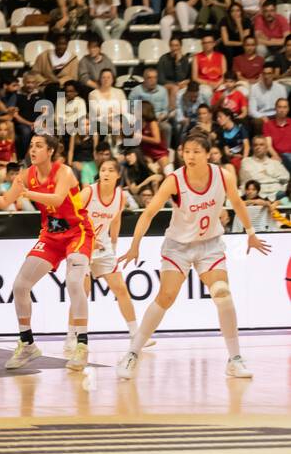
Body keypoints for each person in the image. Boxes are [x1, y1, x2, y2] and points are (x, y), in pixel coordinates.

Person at [115, 132, 272, 380]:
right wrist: (134, 245)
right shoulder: (174, 180)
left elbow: (238, 204)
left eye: (196, 151)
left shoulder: (223, 176)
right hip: (178, 245)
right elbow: (148, 214)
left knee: (222, 293)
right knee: (166, 296)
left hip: (209, 245)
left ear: (208, 154)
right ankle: (133, 353)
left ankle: (235, 359)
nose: (190, 156)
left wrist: (250, 232)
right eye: (186, 151)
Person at [0, 133, 94, 371]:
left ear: (50, 151)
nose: (33, 150)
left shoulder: (64, 172)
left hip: (77, 232)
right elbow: (5, 202)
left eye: (39, 146)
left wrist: (28, 194)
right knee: (20, 285)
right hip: (50, 236)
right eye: (31, 145)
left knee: (74, 282)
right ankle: (27, 343)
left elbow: (59, 199)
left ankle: (81, 345)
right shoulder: (26, 175)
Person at [66, 157, 151, 357]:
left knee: (121, 289)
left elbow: (116, 220)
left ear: (118, 175)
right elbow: (70, 216)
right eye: (103, 169)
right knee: (82, 292)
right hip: (81, 245)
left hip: (103, 248)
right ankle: (71, 337)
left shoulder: (120, 197)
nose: (105, 173)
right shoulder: (88, 192)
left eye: (110, 170)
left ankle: (135, 335)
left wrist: (113, 244)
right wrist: (87, 239)